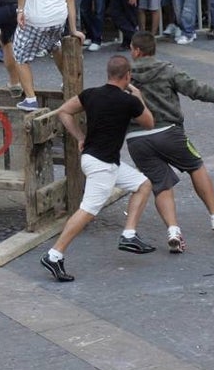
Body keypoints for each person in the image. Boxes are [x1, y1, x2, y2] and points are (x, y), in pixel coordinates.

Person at [126, 31, 214, 251]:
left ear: (136, 51)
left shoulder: (124, 76)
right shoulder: (167, 70)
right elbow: (197, 89)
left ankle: (174, 231)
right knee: (195, 165)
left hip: (136, 140)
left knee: (161, 183)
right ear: (153, 49)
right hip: (168, 132)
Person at [42, 55, 156, 283]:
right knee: (88, 211)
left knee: (142, 184)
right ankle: (53, 255)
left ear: (108, 74)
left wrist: (79, 137)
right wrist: (139, 98)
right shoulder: (129, 101)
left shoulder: (91, 94)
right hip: (102, 165)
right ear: (127, 76)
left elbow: (64, 111)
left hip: (98, 159)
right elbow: (149, 122)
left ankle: (129, 234)